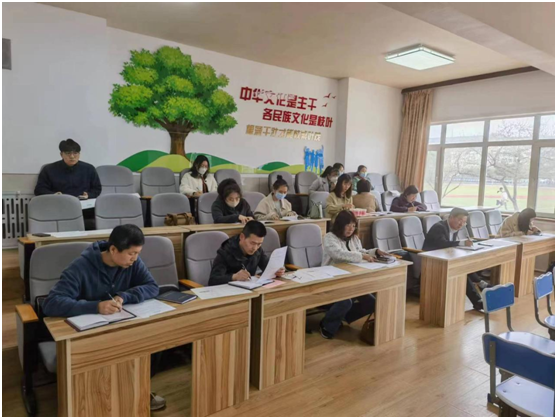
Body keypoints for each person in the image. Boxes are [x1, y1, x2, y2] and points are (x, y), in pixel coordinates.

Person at [41, 224, 165, 410]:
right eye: (131, 253)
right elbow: (51, 303)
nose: (135, 258)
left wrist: (124, 296)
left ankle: (134, 392)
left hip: (120, 325)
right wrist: (95, 306)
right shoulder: (80, 267)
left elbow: (152, 286)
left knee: (147, 338)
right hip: (90, 331)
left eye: (137, 253)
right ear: (113, 249)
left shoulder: (133, 263)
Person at [320, 210, 390, 339]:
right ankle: (327, 325)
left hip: (351, 277)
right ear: (340, 225)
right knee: (345, 302)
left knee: (372, 302)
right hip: (332, 278)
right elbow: (338, 254)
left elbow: (360, 251)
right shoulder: (329, 237)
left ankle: (342, 316)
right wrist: (362, 256)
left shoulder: (354, 238)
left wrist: (374, 252)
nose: (351, 229)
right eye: (348, 225)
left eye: (353, 225)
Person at [422, 208, 487, 311]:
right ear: (451, 217)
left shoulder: (454, 228)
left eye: (464, 222)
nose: (461, 224)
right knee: (461, 271)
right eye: (460, 220)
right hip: (432, 262)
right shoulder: (439, 227)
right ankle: (480, 288)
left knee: (462, 266)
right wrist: (462, 243)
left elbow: (449, 247)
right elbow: (442, 244)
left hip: (445, 259)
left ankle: (479, 291)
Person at [209, 220, 285, 285]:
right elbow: (213, 280)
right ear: (242, 237)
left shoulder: (258, 249)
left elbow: (267, 267)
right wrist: (234, 277)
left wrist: (276, 271)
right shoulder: (226, 251)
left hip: (250, 289)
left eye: (259, 244)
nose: (255, 248)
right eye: (252, 243)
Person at [34, 138, 102, 199]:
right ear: (61, 154)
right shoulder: (49, 169)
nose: (72, 156)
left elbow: (97, 188)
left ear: (79, 154)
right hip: (58, 202)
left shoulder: (89, 169)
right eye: (68, 153)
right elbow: (39, 189)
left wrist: (89, 195)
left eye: (75, 153)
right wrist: (54, 195)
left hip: (82, 203)